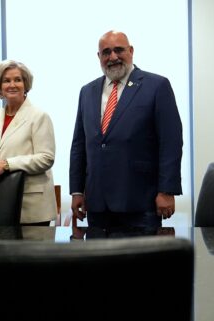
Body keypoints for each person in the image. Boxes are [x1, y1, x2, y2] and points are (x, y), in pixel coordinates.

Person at [69, 30, 183, 228]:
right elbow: (79, 144)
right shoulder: (87, 91)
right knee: (99, 259)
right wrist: (77, 191)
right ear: (99, 57)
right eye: (106, 52)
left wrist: (167, 190)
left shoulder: (156, 86)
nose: (113, 57)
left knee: (139, 260)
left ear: (131, 51)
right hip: (97, 204)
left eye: (118, 50)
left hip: (139, 201)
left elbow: (171, 142)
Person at [0, 60, 57, 226]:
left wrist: (6, 164)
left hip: (31, 208)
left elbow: (46, 158)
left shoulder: (39, 116)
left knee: (30, 253)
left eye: (18, 79)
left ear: (26, 85)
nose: (12, 85)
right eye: (6, 80)